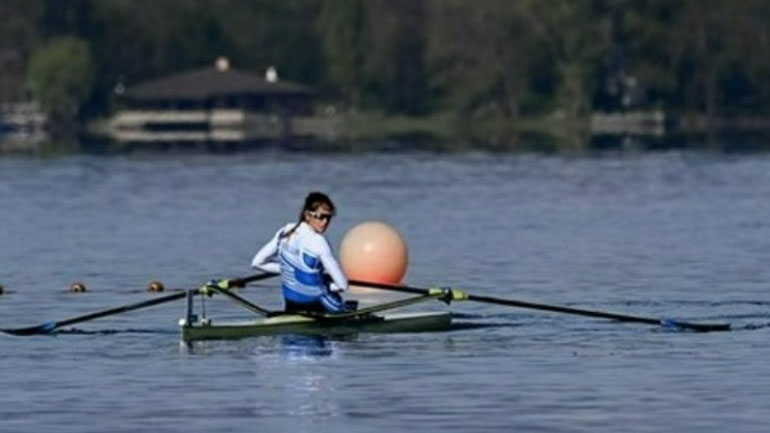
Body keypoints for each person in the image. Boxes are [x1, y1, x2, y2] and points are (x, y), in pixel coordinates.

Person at [251, 191, 351, 313]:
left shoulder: (286, 231)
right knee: (342, 304)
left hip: (292, 304)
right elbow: (343, 286)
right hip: (316, 302)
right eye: (320, 216)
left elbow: (257, 263)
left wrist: (288, 268)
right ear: (307, 215)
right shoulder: (319, 241)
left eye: (328, 217)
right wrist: (327, 285)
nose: (325, 222)